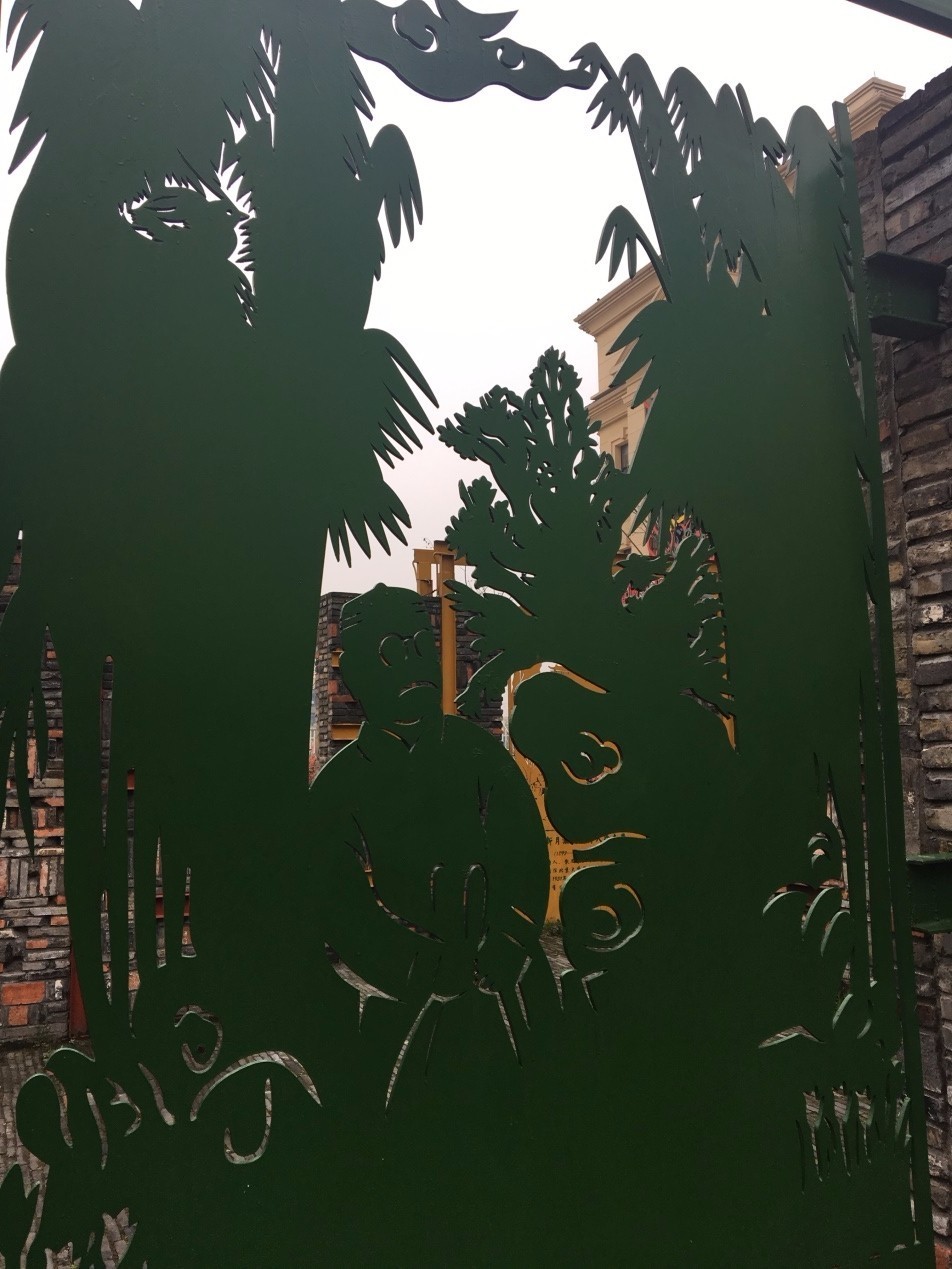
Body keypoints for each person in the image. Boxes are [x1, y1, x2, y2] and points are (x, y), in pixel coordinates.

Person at [310, 584, 550, 1018]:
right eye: (392, 650)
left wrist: (509, 939)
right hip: (414, 996)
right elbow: (341, 905)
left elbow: (524, 850)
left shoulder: (477, 752)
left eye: (423, 646)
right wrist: (426, 968)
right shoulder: (339, 786)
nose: (414, 662)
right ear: (356, 671)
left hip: (508, 979)